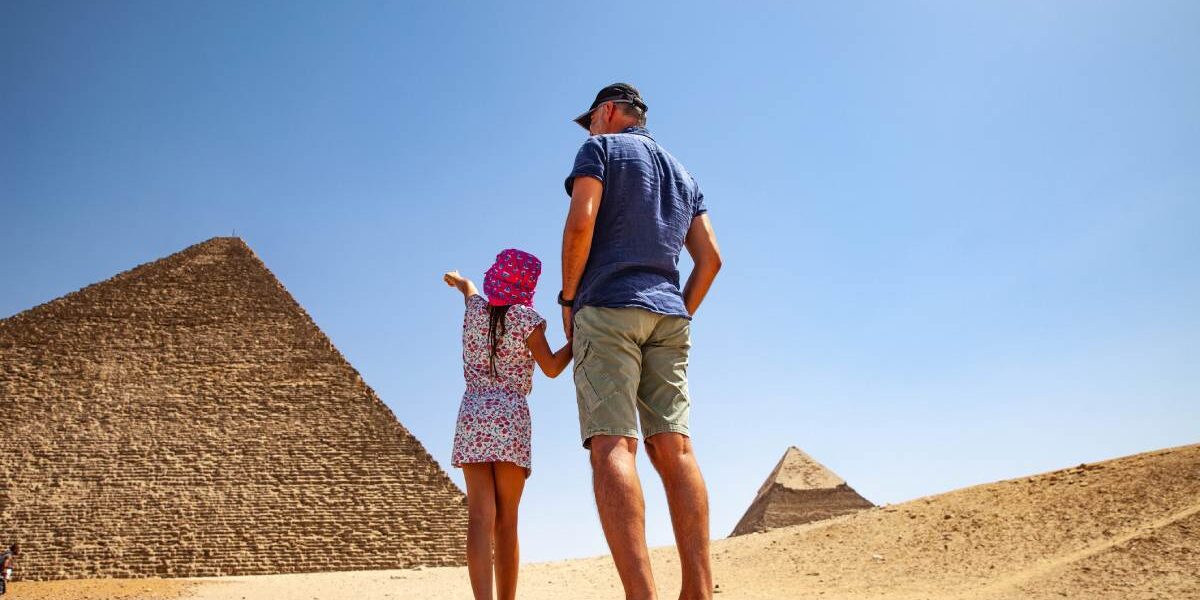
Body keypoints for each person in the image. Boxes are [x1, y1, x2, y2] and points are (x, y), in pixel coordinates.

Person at [560, 83, 723, 600]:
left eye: (592, 120)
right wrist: (678, 312)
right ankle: (698, 589)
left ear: (607, 112)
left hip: (607, 306)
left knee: (613, 443)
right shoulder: (683, 172)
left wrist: (568, 302)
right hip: (668, 314)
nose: (590, 129)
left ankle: (641, 595)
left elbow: (580, 224)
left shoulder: (600, 149)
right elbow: (711, 259)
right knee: (676, 448)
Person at [443, 249, 572, 600]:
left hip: (472, 415)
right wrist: (576, 342)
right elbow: (552, 367)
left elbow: (469, 289)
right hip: (510, 418)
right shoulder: (526, 319)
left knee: (480, 517)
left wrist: (459, 280)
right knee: (507, 521)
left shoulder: (475, 310)